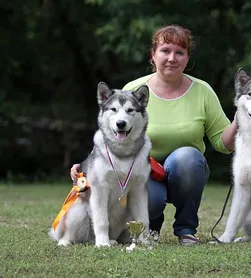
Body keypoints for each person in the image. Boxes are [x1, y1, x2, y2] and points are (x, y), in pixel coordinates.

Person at [71, 25, 238, 245]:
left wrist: (239, 121)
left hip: (185, 170)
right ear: (153, 55)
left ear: (187, 59)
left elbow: (223, 143)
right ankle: (149, 230)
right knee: (149, 195)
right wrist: (85, 167)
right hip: (141, 169)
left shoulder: (203, 91)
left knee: (187, 158)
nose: (172, 58)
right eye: (165, 51)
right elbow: (112, 130)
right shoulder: (133, 89)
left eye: (180, 52)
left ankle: (186, 230)